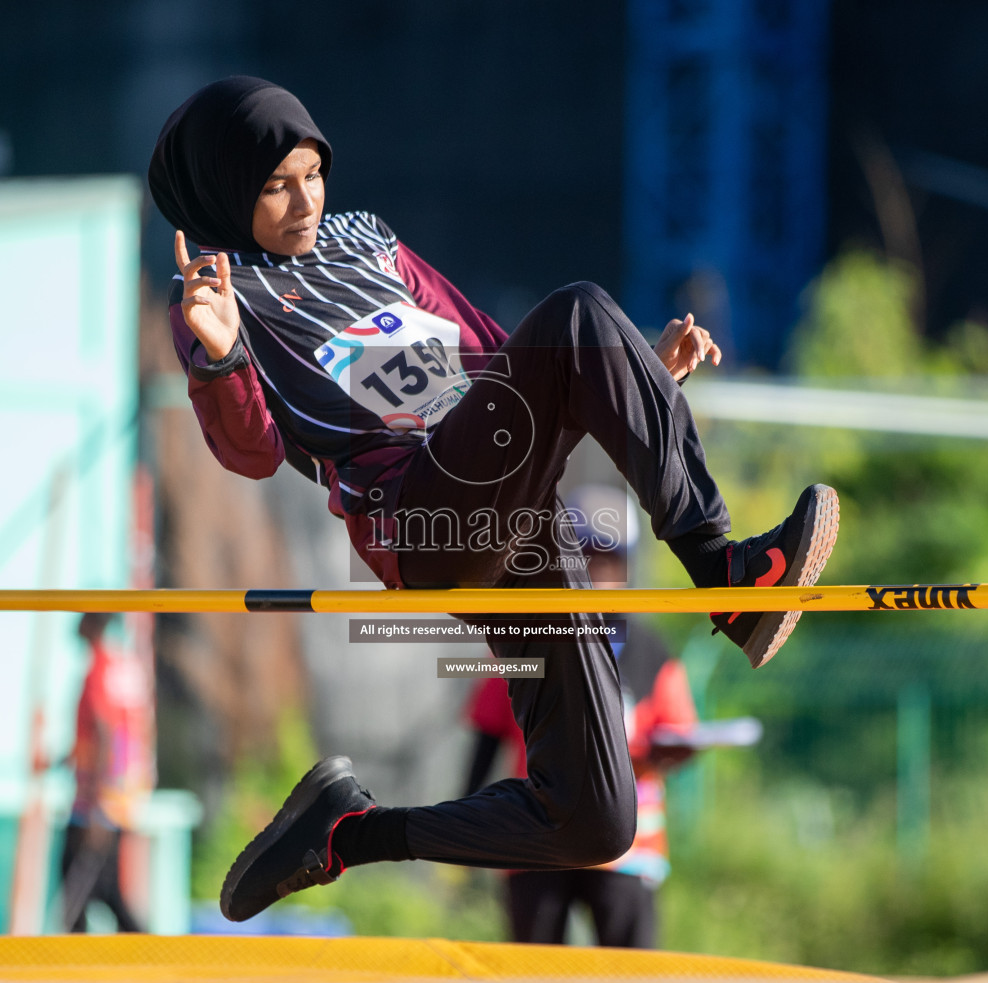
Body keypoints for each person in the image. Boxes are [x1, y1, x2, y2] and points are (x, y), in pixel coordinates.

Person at [146, 76, 840, 923]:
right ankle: (726, 573)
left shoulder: (369, 243)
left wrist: (634, 378)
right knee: (579, 311)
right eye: (273, 185)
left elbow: (492, 361)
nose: (305, 203)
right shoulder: (221, 296)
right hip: (425, 519)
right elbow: (250, 451)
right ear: (226, 190)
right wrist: (217, 355)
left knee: (593, 818)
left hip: (514, 513)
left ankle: (343, 835)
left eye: (313, 174)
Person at [463, 486, 698, 947]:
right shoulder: (523, 638)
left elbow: (679, 734)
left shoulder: (650, 649)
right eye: (583, 557)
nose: (595, 572)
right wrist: (466, 824)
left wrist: (664, 755)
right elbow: (486, 737)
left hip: (627, 847)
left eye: (607, 560)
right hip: (535, 841)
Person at [59, 612, 155, 933]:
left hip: (100, 797)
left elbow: (105, 731)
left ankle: (80, 960)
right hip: (122, 793)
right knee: (103, 886)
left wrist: (97, 802)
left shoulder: (98, 669)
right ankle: (138, 950)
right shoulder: (123, 667)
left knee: (77, 884)